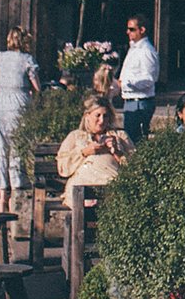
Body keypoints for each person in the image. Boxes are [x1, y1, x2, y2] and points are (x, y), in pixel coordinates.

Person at [0, 29, 40, 210]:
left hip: (0, 100)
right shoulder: (26, 59)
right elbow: (36, 85)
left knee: (1, 147)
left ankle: (2, 191)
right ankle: (16, 187)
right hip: (18, 100)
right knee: (18, 146)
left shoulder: (0, 57)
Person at [57, 97, 132, 190]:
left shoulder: (120, 136)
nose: (102, 120)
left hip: (111, 186)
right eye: (98, 115)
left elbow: (134, 167)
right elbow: (62, 168)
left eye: (105, 116)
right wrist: (84, 152)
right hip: (81, 188)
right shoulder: (75, 136)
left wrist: (116, 152)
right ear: (87, 116)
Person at [119, 15, 160, 144]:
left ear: (142, 30)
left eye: (131, 29)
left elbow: (149, 78)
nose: (128, 32)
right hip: (131, 100)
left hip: (140, 101)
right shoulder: (134, 48)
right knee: (130, 139)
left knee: (135, 141)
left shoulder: (146, 51)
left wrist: (127, 83)